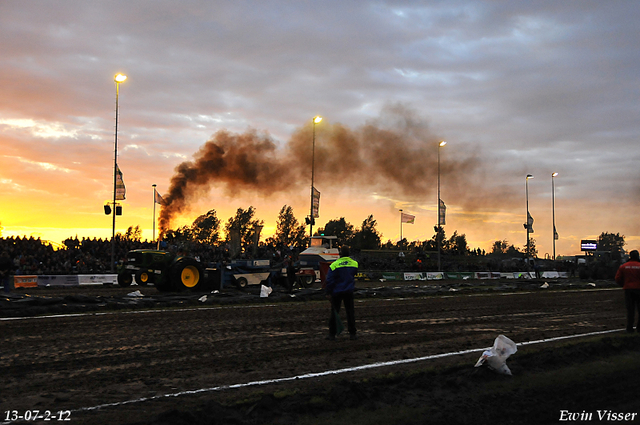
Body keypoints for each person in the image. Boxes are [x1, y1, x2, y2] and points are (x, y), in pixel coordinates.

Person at [325, 246, 358, 340]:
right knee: (350, 312)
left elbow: (330, 280)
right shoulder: (354, 264)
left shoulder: (334, 265)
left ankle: (332, 334)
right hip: (349, 291)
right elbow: (353, 274)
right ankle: (353, 333)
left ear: (340, 253)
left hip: (337, 292)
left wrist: (328, 292)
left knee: (335, 312)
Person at [615, 250, 640, 333]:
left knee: (630, 310)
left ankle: (629, 328)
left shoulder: (624, 266)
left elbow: (617, 278)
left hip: (628, 290)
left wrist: (624, 284)